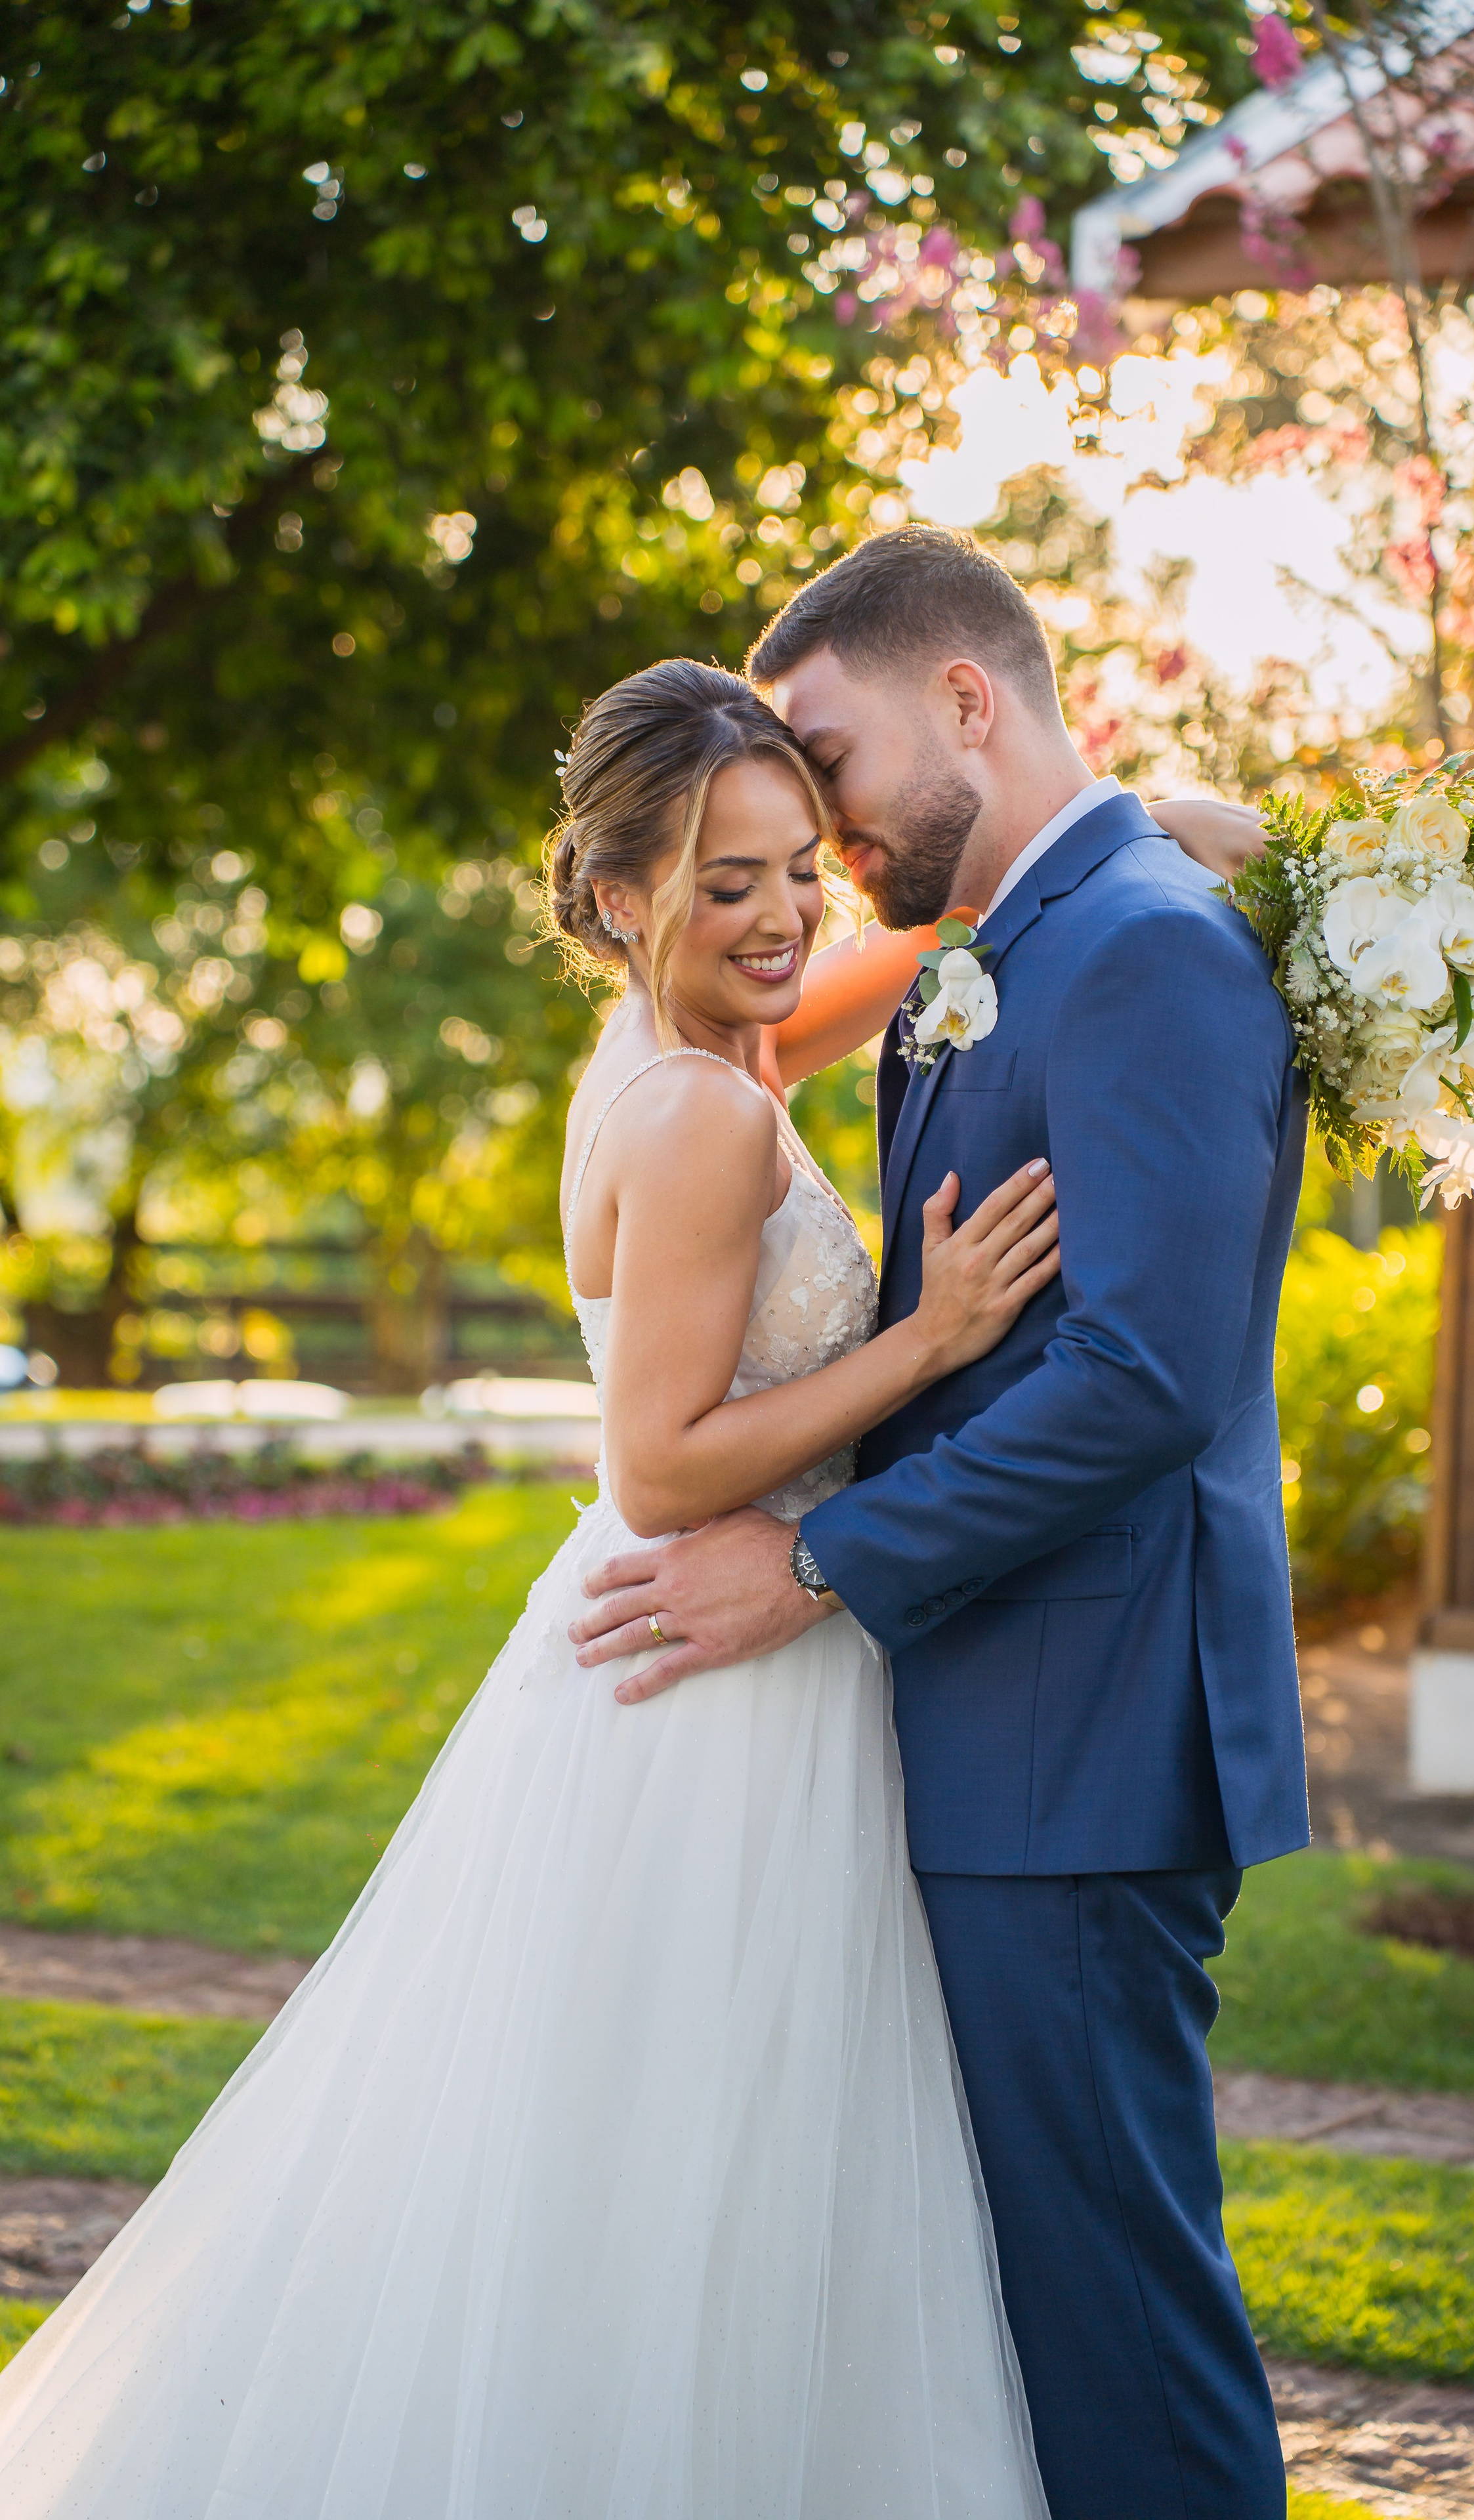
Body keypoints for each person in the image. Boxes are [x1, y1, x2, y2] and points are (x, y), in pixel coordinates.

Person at [0, 651, 1246, 2519]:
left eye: (792, 866)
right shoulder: (702, 1116)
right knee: (704, 2164)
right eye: (724, 882)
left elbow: (927, 958)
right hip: (720, 1668)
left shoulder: (703, 1048)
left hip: (718, 1656)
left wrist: (1132, 826)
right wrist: (929, 1342)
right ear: (613, 898)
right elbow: (655, 1463)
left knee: (656, 2157)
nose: (778, 916)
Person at [569, 528, 1310, 2520]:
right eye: (755, 847)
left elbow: (1147, 1378)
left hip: (1081, 1741)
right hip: (985, 1729)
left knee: (1115, 2317)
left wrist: (817, 1560)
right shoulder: (1019, 939)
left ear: (966, 702)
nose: (819, 840)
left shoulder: (1140, 940)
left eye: (830, 773)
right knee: (1015, 2308)